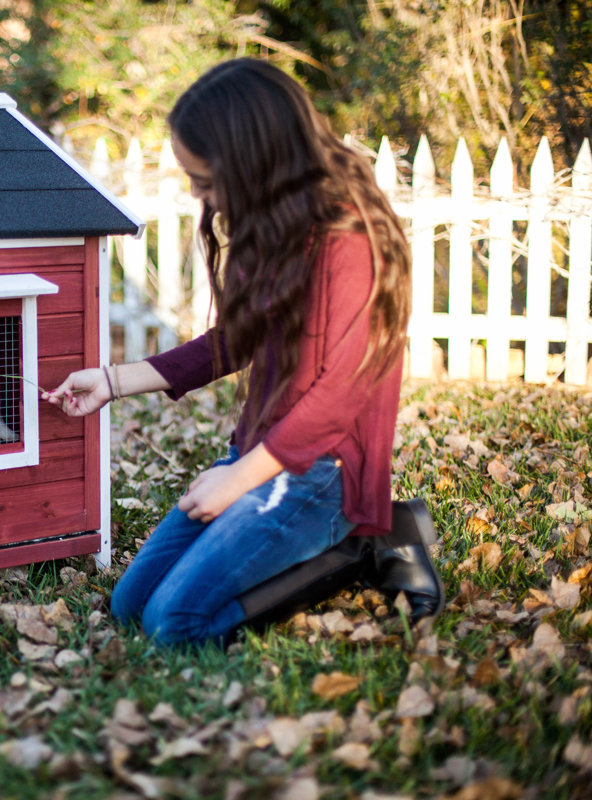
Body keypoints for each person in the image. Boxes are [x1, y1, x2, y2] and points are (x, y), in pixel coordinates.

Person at [43, 58, 441, 647]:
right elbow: (238, 339)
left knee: (173, 625)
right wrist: (113, 379)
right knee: (130, 607)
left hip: (320, 473)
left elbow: (337, 398)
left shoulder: (350, 240)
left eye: (205, 181)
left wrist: (236, 482)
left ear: (255, 163)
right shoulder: (274, 225)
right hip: (261, 457)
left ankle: (359, 547)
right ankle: (345, 537)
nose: (202, 197)